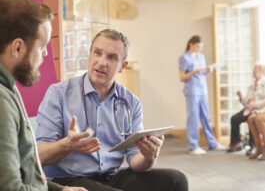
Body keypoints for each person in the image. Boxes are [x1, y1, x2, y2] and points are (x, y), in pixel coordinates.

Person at [36, 29, 188, 191]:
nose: (102, 62)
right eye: (98, 53)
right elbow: (40, 156)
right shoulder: (58, 94)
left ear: (122, 66)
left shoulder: (131, 103)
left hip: (111, 176)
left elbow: (135, 162)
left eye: (112, 57)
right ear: (90, 54)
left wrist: (149, 157)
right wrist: (68, 145)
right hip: (68, 179)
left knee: (176, 180)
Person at [0, 0, 86, 191]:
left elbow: (23, 172)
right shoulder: (2, 100)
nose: (46, 54)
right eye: (42, 45)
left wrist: (60, 190)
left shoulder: (8, 88)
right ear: (18, 47)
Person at [178, 35, 225, 155]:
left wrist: (207, 70)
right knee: (193, 118)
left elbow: (202, 74)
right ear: (191, 44)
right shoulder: (184, 58)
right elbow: (182, 77)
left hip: (203, 90)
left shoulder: (201, 57)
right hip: (192, 91)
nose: (199, 49)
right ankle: (193, 146)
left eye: (200, 47)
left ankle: (212, 143)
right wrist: (194, 71)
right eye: (197, 46)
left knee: (206, 117)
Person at [227, 64, 265, 156]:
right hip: (248, 109)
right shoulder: (252, 86)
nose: (253, 72)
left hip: (259, 110)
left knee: (251, 119)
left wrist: (256, 104)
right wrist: (241, 97)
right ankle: (236, 143)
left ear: (262, 72)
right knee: (234, 119)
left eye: (256, 70)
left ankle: (253, 145)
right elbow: (246, 102)